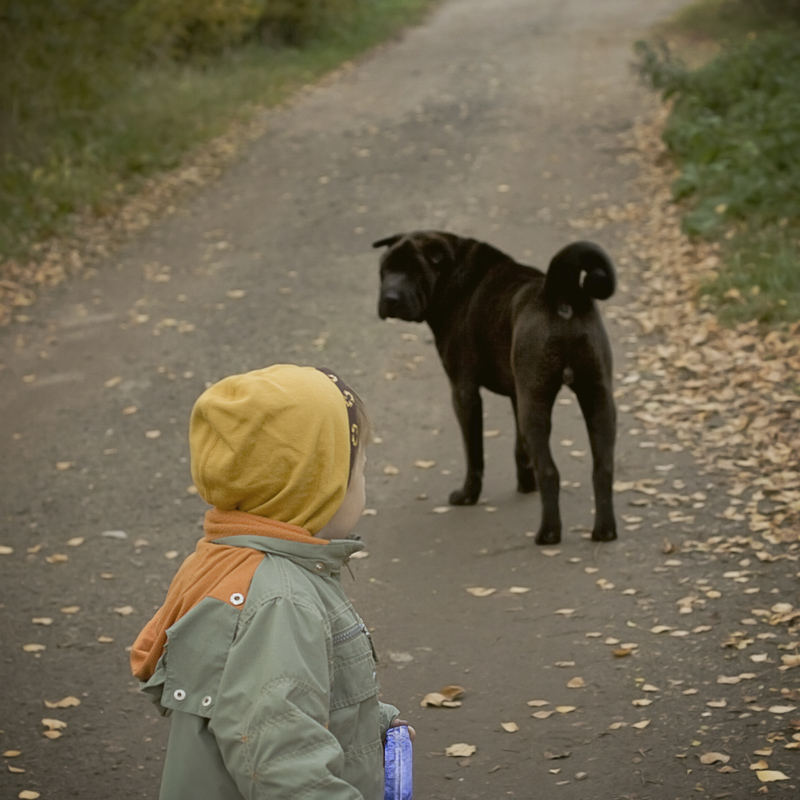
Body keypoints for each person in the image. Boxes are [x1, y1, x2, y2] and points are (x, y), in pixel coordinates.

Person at [130, 364, 409, 799]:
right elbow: (284, 769)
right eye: (359, 471)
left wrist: (372, 723)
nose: (364, 484)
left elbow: (277, 706)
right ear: (312, 487)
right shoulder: (282, 601)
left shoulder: (232, 560)